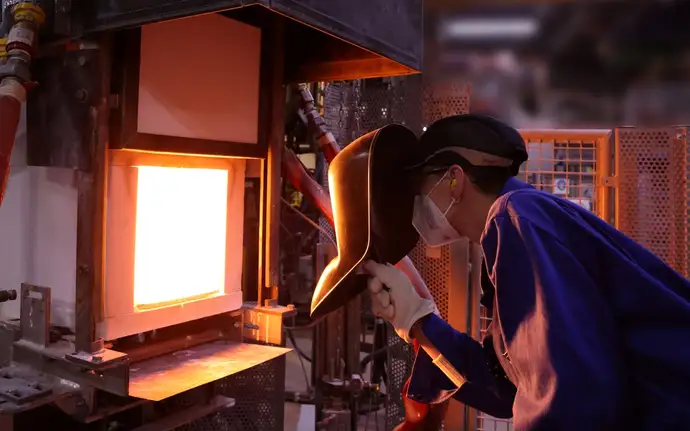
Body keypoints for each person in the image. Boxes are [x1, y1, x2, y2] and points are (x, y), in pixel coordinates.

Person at [363, 114, 690, 431]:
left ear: (454, 180)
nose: (417, 205)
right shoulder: (513, 228)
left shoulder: (517, 218)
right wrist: (417, 320)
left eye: (421, 189)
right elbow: (507, 390)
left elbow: (568, 398)